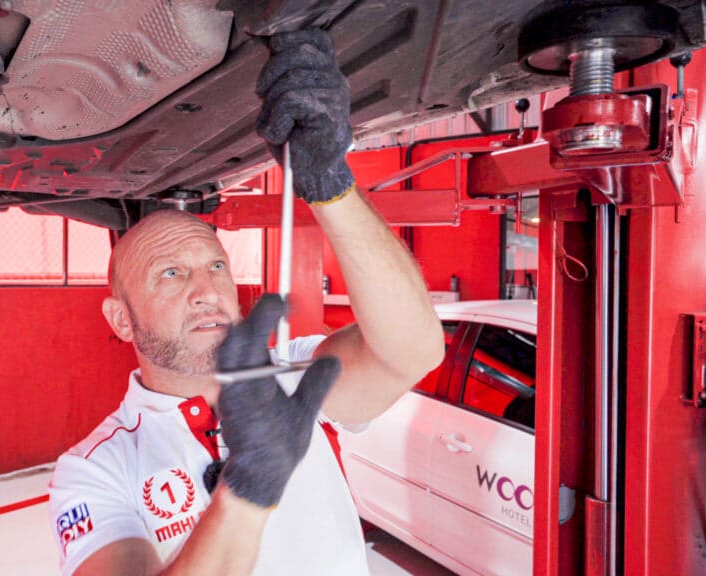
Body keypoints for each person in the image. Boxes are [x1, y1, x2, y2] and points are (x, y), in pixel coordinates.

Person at [48, 28, 444, 576]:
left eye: (216, 266)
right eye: (171, 273)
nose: (207, 290)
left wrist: (329, 184)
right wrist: (247, 488)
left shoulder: (292, 373)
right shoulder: (95, 469)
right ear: (121, 319)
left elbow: (413, 349)